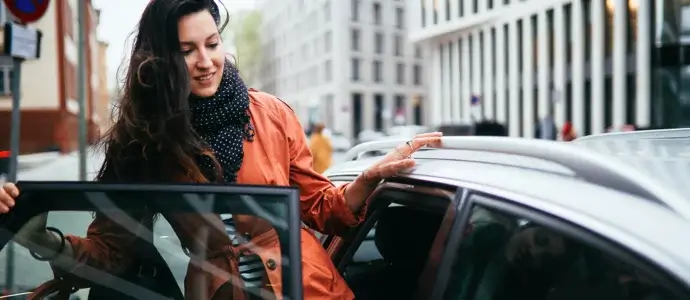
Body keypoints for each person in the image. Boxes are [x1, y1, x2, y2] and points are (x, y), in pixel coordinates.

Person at [0, 1, 442, 299]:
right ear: (158, 59)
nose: (206, 61)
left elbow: (321, 209)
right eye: (186, 50)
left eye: (212, 44)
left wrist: (366, 179)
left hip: (308, 287)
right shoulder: (143, 141)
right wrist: (41, 236)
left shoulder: (270, 113)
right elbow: (112, 251)